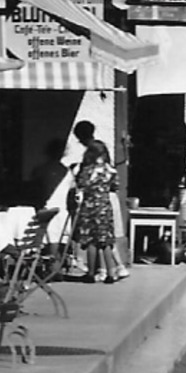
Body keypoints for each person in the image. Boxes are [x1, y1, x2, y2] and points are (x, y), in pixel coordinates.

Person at [71, 121, 124, 284]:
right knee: (105, 241)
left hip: (89, 207)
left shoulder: (87, 170)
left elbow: (81, 184)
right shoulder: (110, 170)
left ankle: (91, 272)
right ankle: (111, 273)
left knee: (90, 241)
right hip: (104, 207)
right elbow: (116, 186)